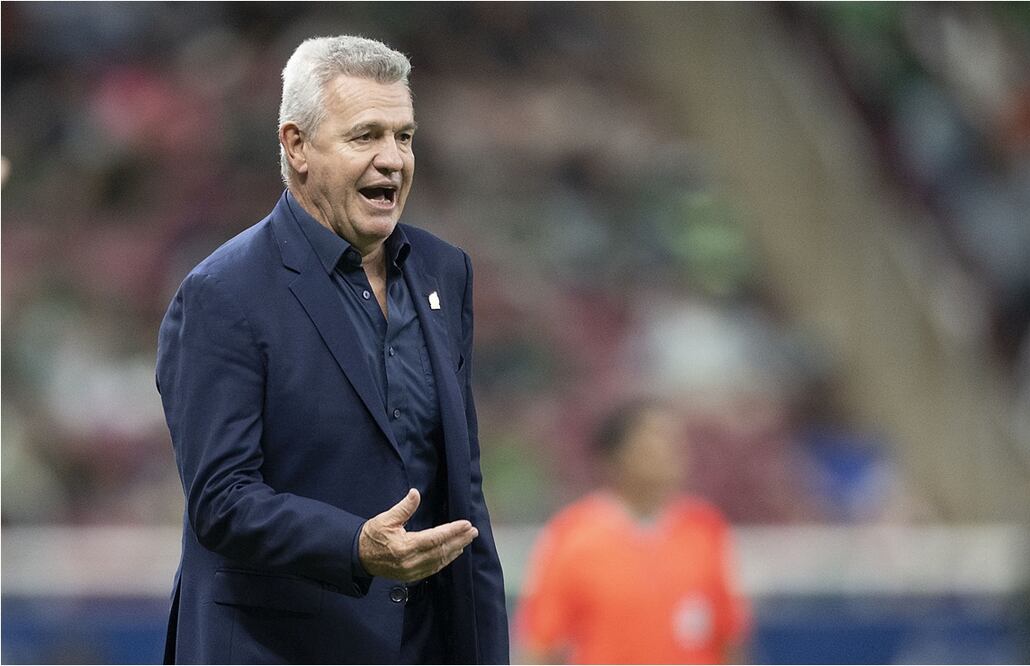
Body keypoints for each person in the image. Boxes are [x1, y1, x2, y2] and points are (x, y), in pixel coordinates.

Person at [156, 35, 508, 664]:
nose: (392, 159)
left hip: (423, 647)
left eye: (404, 136)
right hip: (281, 647)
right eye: (365, 135)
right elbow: (221, 498)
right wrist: (354, 546)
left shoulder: (442, 271)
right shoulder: (223, 292)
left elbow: (463, 488)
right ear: (296, 146)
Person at [515, 400, 750, 664]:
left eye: (674, 442)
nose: (668, 453)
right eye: (653, 442)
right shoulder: (573, 535)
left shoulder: (705, 528)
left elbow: (729, 636)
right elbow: (542, 643)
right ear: (614, 457)